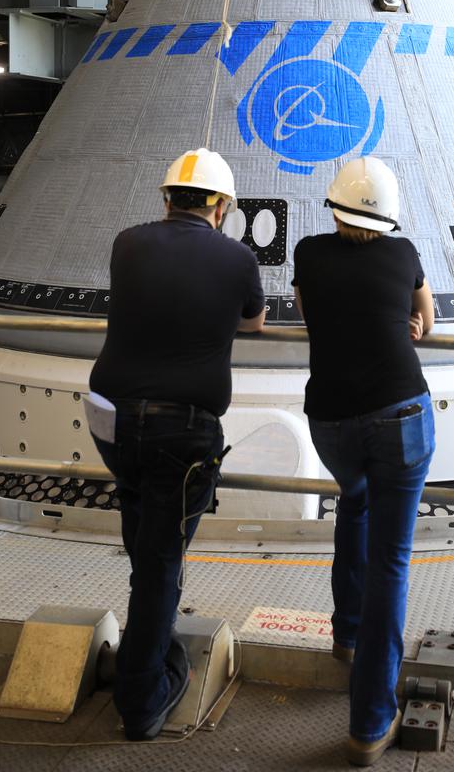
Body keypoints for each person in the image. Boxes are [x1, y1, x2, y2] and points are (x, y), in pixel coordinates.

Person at [87, 147, 265, 740]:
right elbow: (252, 322)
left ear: (166, 199)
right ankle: (142, 701)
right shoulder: (238, 258)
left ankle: (149, 645)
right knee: (161, 562)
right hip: (183, 432)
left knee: (145, 540)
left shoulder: (125, 242)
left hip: (112, 421)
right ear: (221, 206)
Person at [292, 156, 435, 767]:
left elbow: (309, 316)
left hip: (330, 423)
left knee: (355, 499)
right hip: (401, 416)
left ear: (333, 205)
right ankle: (370, 722)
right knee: (391, 565)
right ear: (391, 213)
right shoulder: (404, 256)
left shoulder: (308, 251)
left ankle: (346, 635)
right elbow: (426, 322)